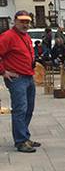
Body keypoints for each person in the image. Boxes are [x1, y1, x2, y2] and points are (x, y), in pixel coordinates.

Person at [0, 11, 41, 153]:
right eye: (22, 21)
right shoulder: (8, 37)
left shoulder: (26, 36)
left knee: (29, 108)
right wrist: (3, 72)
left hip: (28, 77)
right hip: (17, 78)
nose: (25, 24)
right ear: (15, 21)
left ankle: (24, 136)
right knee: (20, 109)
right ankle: (20, 141)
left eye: (27, 22)